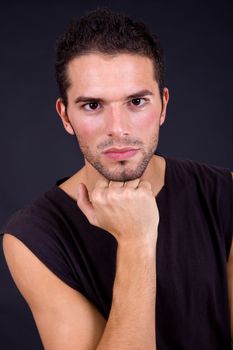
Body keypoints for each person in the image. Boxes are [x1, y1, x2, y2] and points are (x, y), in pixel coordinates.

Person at [1, 8, 233, 350]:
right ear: (65, 116)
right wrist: (136, 241)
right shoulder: (32, 239)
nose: (118, 129)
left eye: (136, 101)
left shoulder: (225, 195)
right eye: (93, 105)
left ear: (163, 106)